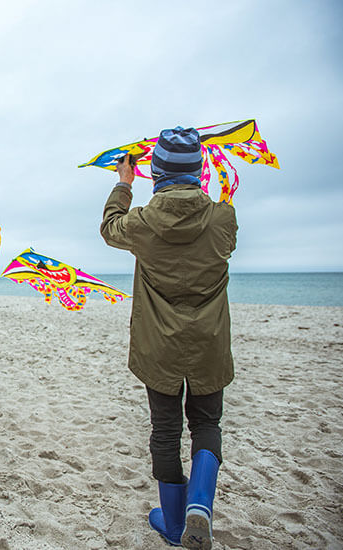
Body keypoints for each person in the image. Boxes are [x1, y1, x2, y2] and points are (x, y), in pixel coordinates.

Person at [99, 127, 237, 549]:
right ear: (198, 171)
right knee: (206, 423)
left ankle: (176, 525)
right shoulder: (223, 218)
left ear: (155, 174)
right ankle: (200, 504)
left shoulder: (141, 224)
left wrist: (124, 184)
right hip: (209, 341)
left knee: (165, 429)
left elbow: (109, 227)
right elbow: (218, 237)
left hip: (158, 345)